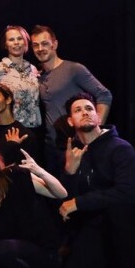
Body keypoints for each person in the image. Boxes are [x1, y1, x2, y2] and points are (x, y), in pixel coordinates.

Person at [57, 93, 135, 268]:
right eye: (78, 110)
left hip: (120, 222)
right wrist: (70, 172)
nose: (85, 112)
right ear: (70, 121)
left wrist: (79, 202)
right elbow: (65, 199)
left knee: (118, 208)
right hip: (91, 224)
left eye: (89, 108)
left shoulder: (120, 148)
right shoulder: (72, 153)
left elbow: (127, 193)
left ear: (98, 116)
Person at [30, 25, 113, 164]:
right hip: (52, 146)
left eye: (45, 43)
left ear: (55, 44)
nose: (40, 48)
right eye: (35, 45)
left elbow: (104, 95)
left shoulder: (73, 69)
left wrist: (94, 130)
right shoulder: (39, 78)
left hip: (77, 145)